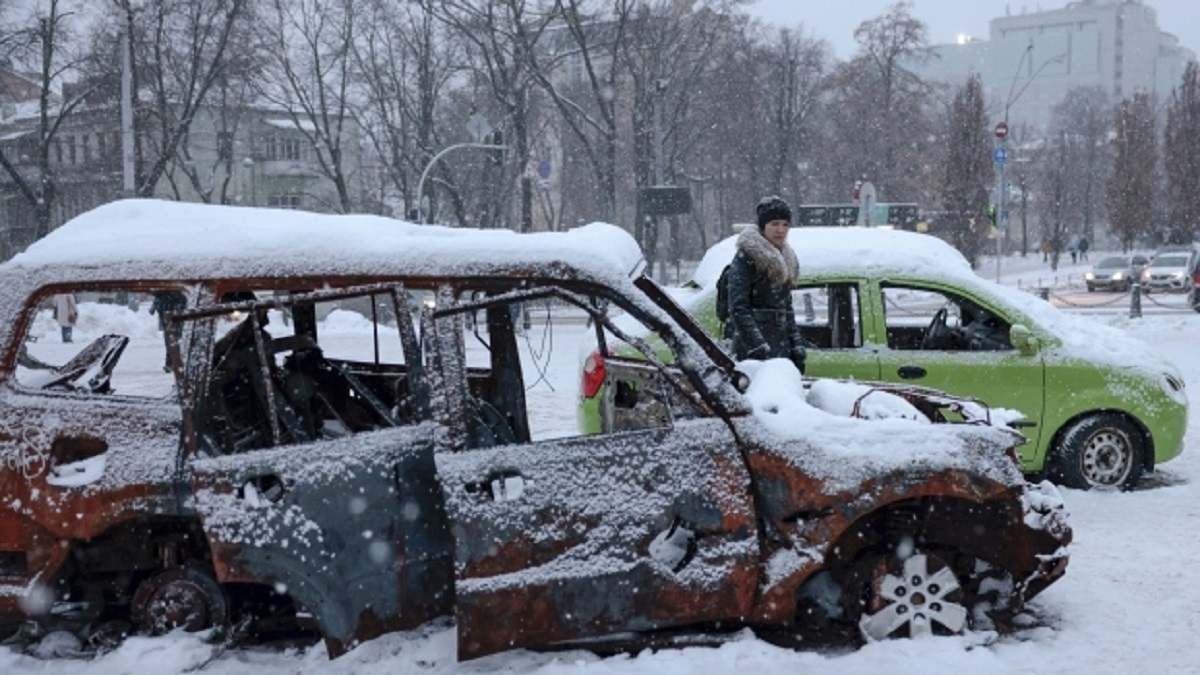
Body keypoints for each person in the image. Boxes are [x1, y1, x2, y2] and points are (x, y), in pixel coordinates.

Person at [726, 195, 807, 374]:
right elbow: (738, 308)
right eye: (774, 224)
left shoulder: (786, 258)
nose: (781, 230)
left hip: (781, 347)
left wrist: (797, 345)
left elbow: (787, 309)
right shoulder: (747, 257)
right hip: (753, 350)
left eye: (785, 224)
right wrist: (757, 346)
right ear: (763, 226)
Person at [150, 290, 188, 372]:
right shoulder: (164, 293)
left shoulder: (170, 293)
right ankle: (173, 363)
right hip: (171, 316)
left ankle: (172, 363)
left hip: (172, 316)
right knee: (172, 341)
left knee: (172, 341)